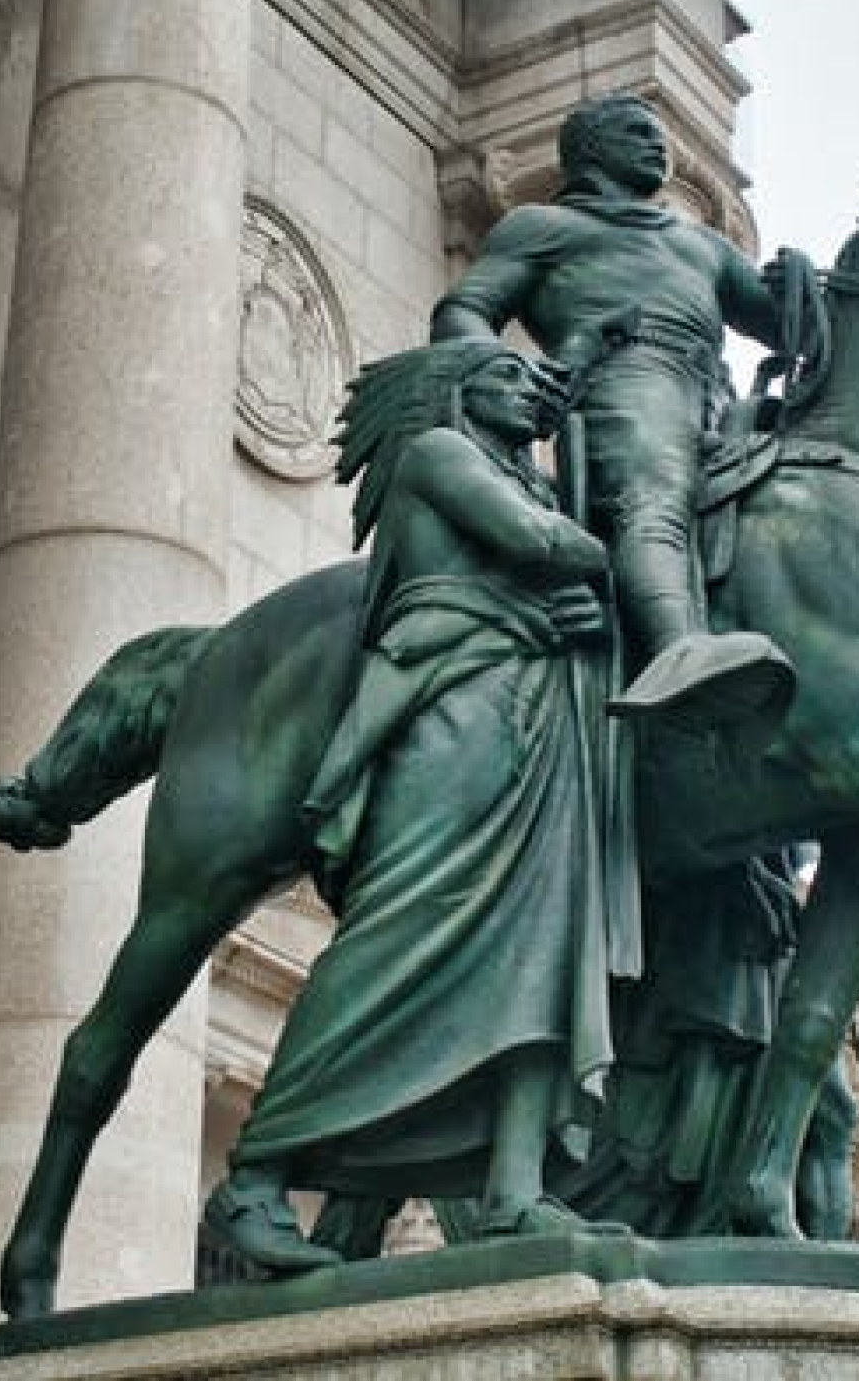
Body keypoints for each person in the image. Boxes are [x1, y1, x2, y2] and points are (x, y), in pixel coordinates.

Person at [207, 341, 635, 1270]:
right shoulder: (439, 454)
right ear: (456, 392)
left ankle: (514, 1188)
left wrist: (576, 604)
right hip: (452, 710)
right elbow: (541, 544)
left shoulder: (523, 476)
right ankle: (256, 1176)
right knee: (394, 933)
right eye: (507, 377)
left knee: (543, 954)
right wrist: (620, 541)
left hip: (537, 725)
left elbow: (555, 561)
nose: (528, 391)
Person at [431, 93, 795, 728]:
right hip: (623, 378)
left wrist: (798, 290)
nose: (659, 145)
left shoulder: (702, 246)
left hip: (715, 392)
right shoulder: (543, 226)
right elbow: (463, 312)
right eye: (637, 132)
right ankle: (678, 649)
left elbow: (782, 327)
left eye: (659, 135)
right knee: (652, 499)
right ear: (591, 149)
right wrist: (513, 373)